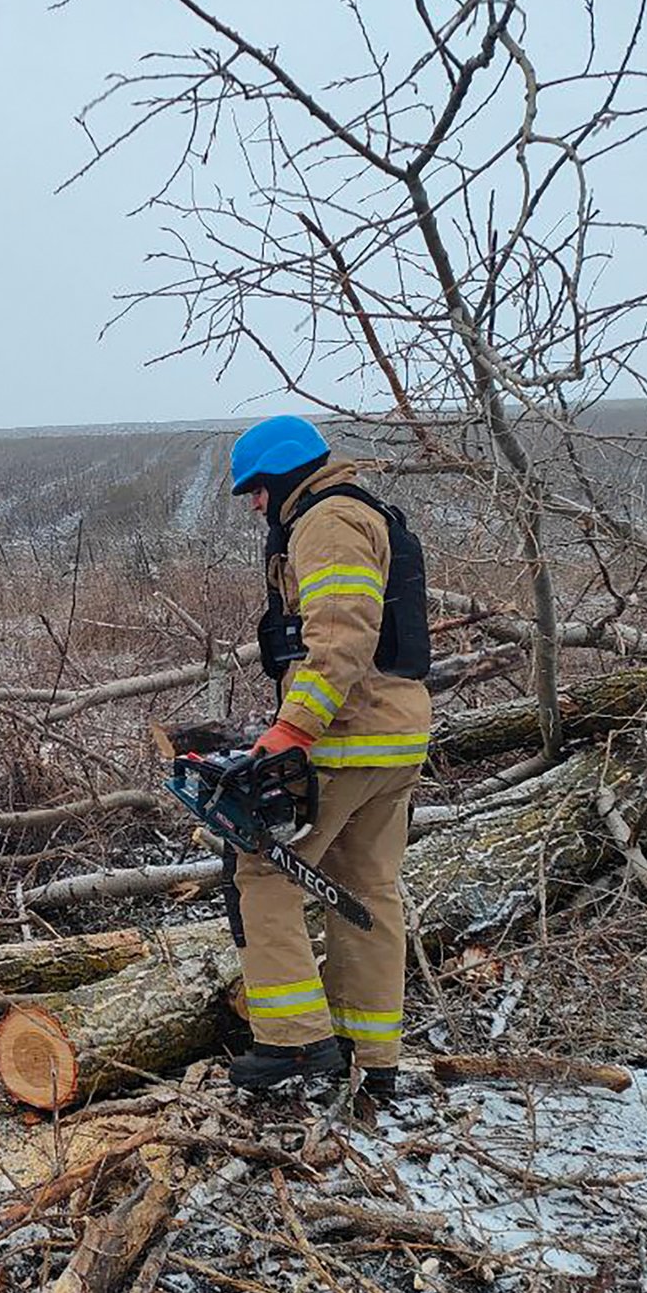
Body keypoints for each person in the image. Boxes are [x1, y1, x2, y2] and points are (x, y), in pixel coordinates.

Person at [223, 416, 431, 1101]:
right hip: (394, 737)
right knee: (365, 890)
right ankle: (373, 1057)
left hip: (349, 737)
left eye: (256, 490)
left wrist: (292, 730)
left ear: (281, 475)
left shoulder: (327, 521)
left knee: (260, 870)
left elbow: (340, 638)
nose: (256, 504)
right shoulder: (361, 511)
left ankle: (292, 1043)